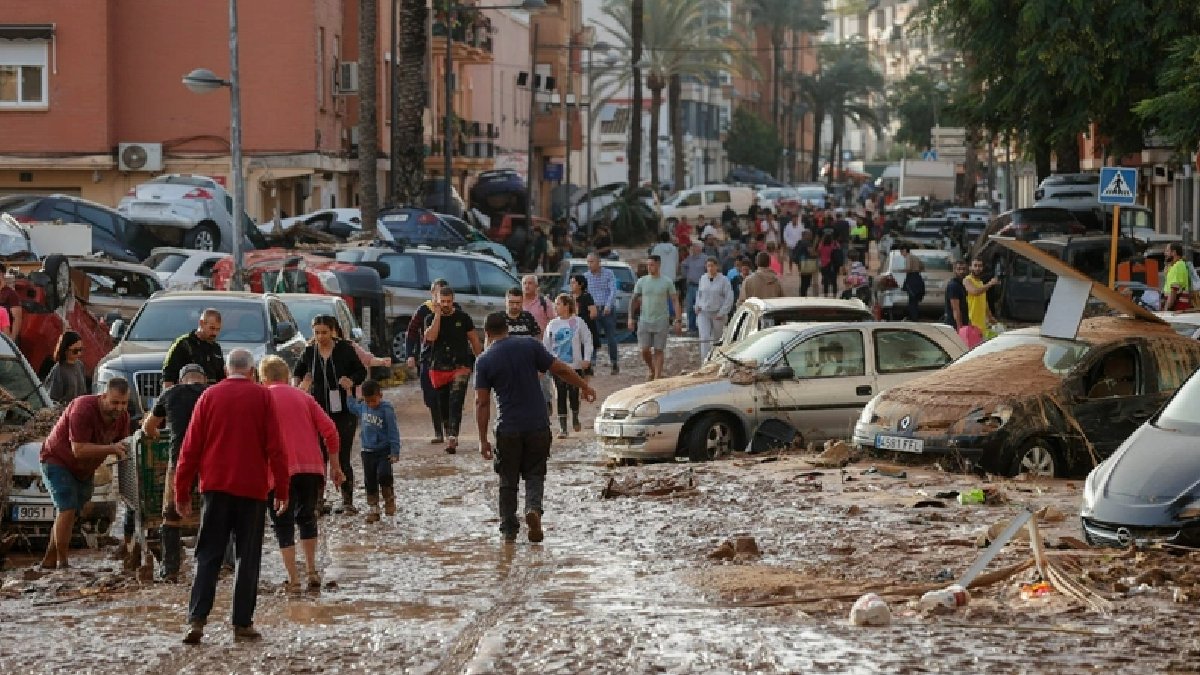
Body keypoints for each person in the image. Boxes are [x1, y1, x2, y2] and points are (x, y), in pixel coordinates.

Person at [174, 349, 290, 645]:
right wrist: (282, 489)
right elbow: (276, 447)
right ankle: (241, 624)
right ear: (252, 372)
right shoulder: (263, 397)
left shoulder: (209, 397)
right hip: (251, 490)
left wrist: (181, 490)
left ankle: (196, 621)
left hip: (215, 488)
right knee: (247, 557)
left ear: (227, 371)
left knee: (208, 555)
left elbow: (190, 449)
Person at [475, 312, 595, 543]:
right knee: (535, 474)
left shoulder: (484, 360)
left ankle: (509, 530)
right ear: (507, 328)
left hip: (508, 428)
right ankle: (533, 509)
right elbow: (559, 368)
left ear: (487, 333)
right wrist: (584, 387)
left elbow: (482, 402)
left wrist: (482, 439)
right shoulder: (530, 345)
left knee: (508, 479)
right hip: (538, 425)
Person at [259, 356, 341, 591]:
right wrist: (335, 466)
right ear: (286, 377)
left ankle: (294, 579)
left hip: (277, 472)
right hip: (311, 469)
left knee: (282, 524)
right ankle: (313, 571)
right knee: (307, 518)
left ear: (264, 379)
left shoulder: (262, 399)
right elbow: (331, 431)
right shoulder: (304, 398)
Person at [38, 378, 131, 570]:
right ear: (103, 396)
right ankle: (63, 564)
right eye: (114, 402)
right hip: (57, 459)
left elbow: (124, 448)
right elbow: (78, 449)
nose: (119, 408)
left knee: (71, 512)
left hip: (84, 469)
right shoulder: (83, 408)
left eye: (123, 403)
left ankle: (48, 561)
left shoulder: (123, 417)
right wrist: (111, 448)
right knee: (67, 508)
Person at [141, 364, 210, 581]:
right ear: (203, 380)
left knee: (171, 515)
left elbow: (148, 427)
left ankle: (170, 570)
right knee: (215, 511)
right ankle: (219, 566)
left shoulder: (170, 393)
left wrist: (154, 435)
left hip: (180, 459)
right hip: (210, 461)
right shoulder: (212, 393)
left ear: (181, 380)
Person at [292, 315, 368, 512]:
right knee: (319, 457)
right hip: (317, 410)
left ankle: (347, 500)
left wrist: (351, 381)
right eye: (317, 333)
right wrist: (299, 386)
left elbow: (361, 371)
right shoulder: (309, 352)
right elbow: (297, 372)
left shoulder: (345, 349)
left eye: (324, 332)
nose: (320, 337)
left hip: (343, 411)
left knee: (342, 455)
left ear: (333, 331)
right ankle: (318, 501)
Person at [423, 286, 482, 453]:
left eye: (449, 301)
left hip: (461, 366)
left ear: (453, 300)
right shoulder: (430, 318)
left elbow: (474, 340)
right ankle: (449, 431)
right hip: (438, 367)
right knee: (443, 404)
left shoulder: (463, 318)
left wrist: (482, 361)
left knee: (456, 401)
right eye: (443, 302)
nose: (446, 305)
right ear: (437, 301)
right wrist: (437, 315)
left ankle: (452, 437)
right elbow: (431, 337)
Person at [347, 379, 401, 524]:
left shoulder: (386, 409)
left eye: (373, 400)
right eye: (367, 401)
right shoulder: (362, 407)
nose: (371, 404)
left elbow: (393, 431)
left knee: (384, 475)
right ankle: (373, 509)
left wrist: (395, 451)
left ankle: (389, 499)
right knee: (369, 480)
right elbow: (351, 406)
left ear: (380, 395)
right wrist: (348, 391)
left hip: (384, 450)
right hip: (367, 451)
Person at [406, 279, 453, 443]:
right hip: (428, 358)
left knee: (447, 395)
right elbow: (411, 333)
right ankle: (438, 430)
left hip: (448, 360)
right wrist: (409, 354)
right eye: (437, 294)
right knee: (430, 396)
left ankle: (447, 430)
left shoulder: (455, 311)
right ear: (432, 294)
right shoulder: (423, 311)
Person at [542, 294, 593, 437]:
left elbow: (588, 340)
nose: (555, 307)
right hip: (558, 366)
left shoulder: (578, 322)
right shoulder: (552, 324)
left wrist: (587, 358)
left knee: (574, 394)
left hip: (575, 366)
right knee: (560, 395)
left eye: (558, 304)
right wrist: (546, 363)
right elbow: (546, 345)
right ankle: (563, 427)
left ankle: (575, 416)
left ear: (566, 306)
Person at [629, 254, 681, 381]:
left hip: (661, 319)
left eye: (651, 265)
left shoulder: (667, 281)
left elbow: (675, 300)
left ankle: (657, 377)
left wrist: (678, 319)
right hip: (644, 319)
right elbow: (633, 299)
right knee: (644, 349)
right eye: (648, 265)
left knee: (659, 350)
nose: (649, 267)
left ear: (658, 265)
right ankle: (652, 369)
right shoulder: (642, 281)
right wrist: (630, 318)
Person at [162, 308, 225, 387]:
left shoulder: (216, 348)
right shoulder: (183, 344)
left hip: (210, 395)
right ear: (201, 323)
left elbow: (221, 377)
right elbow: (168, 375)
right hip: (187, 394)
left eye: (218, 329)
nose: (215, 333)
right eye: (212, 328)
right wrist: (169, 397)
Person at [521, 274, 555, 413]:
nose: (527, 286)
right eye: (524, 283)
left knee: (543, 377)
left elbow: (554, 322)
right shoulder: (517, 303)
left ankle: (546, 403)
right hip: (521, 347)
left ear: (536, 286)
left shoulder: (544, 303)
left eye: (530, 283)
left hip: (541, 345)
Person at [582, 253, 620, 374]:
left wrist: (608, 306)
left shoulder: (608, 274)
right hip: (592, 310)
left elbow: (612, 290)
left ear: (599, 262)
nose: (589, 264)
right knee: (591, 337)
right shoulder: (585, 276)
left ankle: (614, 363)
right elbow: (584, 294)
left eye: (592, 262)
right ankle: (591, 364)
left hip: (607, 309)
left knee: (611, 337)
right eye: (588, 262)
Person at [695, 257, 734, 362]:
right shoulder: (703, 278)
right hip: (704, 312)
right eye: (708, 266)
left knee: (718, 338)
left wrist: (722, 312)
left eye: (712, 266)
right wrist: (697, 306)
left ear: (717, 266)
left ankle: (717, 359)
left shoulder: (724, 280)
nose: (710, 268)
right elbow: (699, 294)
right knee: (704, 337)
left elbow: (729, 297)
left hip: (718, 313)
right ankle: (705, 361)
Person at [44, 331, 87, 405]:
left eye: (80, 349)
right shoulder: (59, 370)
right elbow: (52, 400)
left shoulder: (80, 365)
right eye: (75, 351)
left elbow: (83, 393)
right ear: (65, 350)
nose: (79, 353)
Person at [964, 257, 999, 336]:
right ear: (970, 267)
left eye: (980, 266)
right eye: (975, 265)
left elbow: (984, 302)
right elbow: (975, 292)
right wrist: (990, 284)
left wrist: (990, 317)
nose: (977, 268)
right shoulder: (967, 280)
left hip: (981, 324)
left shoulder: (980, 283)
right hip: (971, 322)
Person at [570, 274, 599, 360]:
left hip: (587, 331)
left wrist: (581, 322)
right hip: (573, 333)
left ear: (581, 284)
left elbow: (593, 313)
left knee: (588, 361)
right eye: (571, 283)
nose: (571, 285)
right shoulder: (570, 298)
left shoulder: (586, 297)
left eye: (574, 283)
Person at [680, 242, 707, 333]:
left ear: (699, 248)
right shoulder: (689, 259)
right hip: (690, 286)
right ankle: (691, 327)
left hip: (701, 286)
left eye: (694, 247)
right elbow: (683, 265)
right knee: (690, 307)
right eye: (692, 247)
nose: (692, 249)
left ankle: (702, 327)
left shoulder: (705, 259)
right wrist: (686, 275)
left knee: (701, 307)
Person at [898, 243, 926, 321]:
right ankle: (914, 316)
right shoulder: (915, 257)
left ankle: (914, 317)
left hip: (912, 278)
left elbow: (908, 268)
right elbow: (922, 266)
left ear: (904, 250)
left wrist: (899, 271)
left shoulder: (908, 257)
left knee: (912, 300)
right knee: (914, 301)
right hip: (918, 278)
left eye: (901, 252)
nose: (901, 254)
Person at [1162, 242, 1192, 311]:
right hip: (1176, 307)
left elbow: (1173, 291)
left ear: (1174, 252)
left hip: (1176, 308)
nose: (1165, 253)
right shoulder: (1176, 265)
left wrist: (1166, 308)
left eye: (1167, 251)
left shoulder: (1178, 266)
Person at [944, 259, 969, 332]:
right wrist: (960, 327)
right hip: (954, 324)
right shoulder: (953, 285)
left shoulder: (963, 284)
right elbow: (956, 309)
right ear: (954, 270)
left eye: (964, 269)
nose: (961, 271)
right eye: (959, 269)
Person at [0, 264, 23, 338]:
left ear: (2, 274)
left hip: (5, 335)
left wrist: (12, 338)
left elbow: (17, 318)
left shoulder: (11, 294)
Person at [817, 232, 842, 298]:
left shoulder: (822, 245)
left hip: (824, 264)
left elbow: (818, 251)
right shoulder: (834, 244)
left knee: (825, 281)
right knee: (834, 281)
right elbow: (839, 250)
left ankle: (826, 295)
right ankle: (834, 296)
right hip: (833, 265)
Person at [795, 230, 816, 297]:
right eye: (809, 235)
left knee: (803, 281)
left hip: (801, 264)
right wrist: (817, 254)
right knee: (806, 282)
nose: (811, 236)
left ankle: (802, 295)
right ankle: (803, 295)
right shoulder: (807, 243)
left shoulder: (799, 242)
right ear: (805, 235)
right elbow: (811, 253)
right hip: (807, 264)